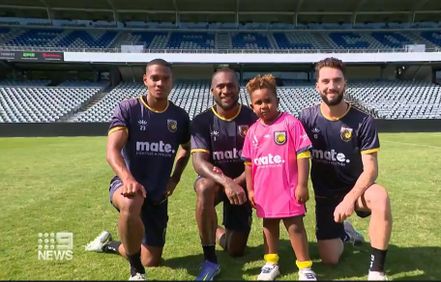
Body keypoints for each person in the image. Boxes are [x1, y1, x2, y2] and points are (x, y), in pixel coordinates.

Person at [85, 58, 191, 281]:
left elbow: (185, 150)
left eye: (165, 78)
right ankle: (136, 271)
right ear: (145, 80)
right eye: (154, 78)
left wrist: (175, 179)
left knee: (151, 259)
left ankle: (110, 245)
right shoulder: (129, 109)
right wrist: (127, 178)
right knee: (132, 200)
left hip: (157, 195)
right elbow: (112, 151)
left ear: (172, 82)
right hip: (126, 185)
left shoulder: (180, 117)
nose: (160, 83)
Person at [299, 57, 392, 281]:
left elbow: (370, 170)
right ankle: (346, 232)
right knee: (329, 259)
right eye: (326, 81)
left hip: (357, 192)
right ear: (317, 86)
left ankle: (377, 270)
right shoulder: (306, 118)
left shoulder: (363, 121)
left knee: (380, 196)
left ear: (345, 83)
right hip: (325, 197)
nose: (331, 86)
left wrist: (350, 199)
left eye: (337, 80)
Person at [241, 74, 317, 281]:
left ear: (277, 101)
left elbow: (303, 155)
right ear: (252, 106)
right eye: (258, 102)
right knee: (269, 226)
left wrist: (302, 185)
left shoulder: (291, 123)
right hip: (265, 190)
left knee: (294, 226)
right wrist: (250, 189)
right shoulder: (253, 131)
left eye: (268, 100)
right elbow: (248, 164)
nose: (264, 106)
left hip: (289, 188)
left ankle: (305, 267)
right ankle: (270, 262)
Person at [190, 67, 258, 280]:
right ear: (212, 90)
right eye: (220, 86)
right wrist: (228, 182)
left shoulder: (253, 117)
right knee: (204, 186)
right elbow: (199, 163)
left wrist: (238, 183)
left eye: (231, 86)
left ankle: (215, 228)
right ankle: (210, 259)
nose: (226, 90)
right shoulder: (202, 121)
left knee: (235, 250)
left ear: (238, 89)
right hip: (218, 184)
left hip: (244, 186)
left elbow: (259, 161)